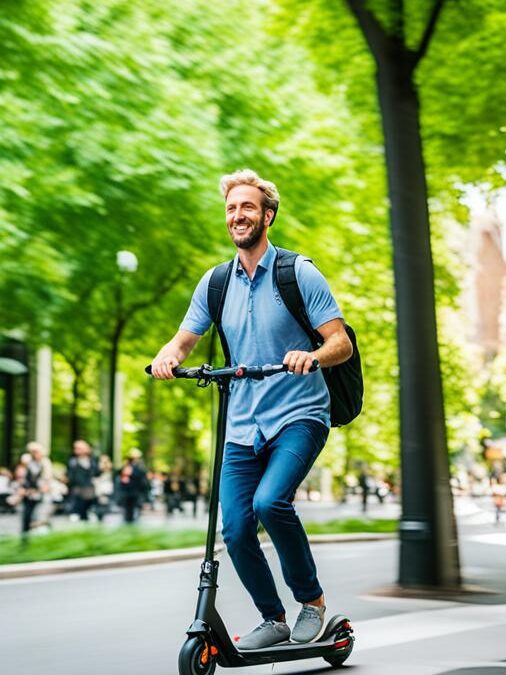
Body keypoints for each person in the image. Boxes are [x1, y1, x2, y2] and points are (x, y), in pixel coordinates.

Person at [150, 169, 353, 649]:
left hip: (299, 413)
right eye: (230, 209)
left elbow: (339, 342)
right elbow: (184, 340)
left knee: (269, 502)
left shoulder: (298, 272)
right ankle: (273, 618)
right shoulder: (216, 282)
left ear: (268, 215)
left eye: (247, 207)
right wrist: (168, 357)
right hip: (243, 422)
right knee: (236, 527)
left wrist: (312, 356)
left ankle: (313, 604)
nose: (237, 216)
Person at [67, 440, 99, 521]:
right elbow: (71, 477)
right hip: (78, 488)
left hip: (90, 488)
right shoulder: (73, 462)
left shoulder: (92, 461)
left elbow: (96, 473)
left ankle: (89, 512)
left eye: (80, 448)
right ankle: (76, 514)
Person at [117, 448, 149, 524]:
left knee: (134, 507)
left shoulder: (139, 466)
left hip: (136, 490)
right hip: (129, 490)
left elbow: (142, 476)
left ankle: (131, 519)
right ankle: (128, 520)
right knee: (129, 508)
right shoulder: (127, 466)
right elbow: (121, 476)